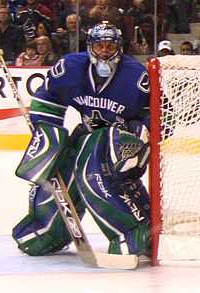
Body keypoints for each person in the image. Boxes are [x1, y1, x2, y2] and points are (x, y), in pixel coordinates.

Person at [12, 21, 150, 257]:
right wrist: (48, 135)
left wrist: (137, 140)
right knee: (58, 170)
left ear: (119, 48)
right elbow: (48, 99)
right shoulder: (70, 67)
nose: (105, 51)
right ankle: (49, 231)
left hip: (121, 142)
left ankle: (133, 233)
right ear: (90, 47)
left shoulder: (136, 76)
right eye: (99, 46)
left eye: (110, 46)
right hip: (87, 132)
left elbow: (154, 115)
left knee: (92, 174)